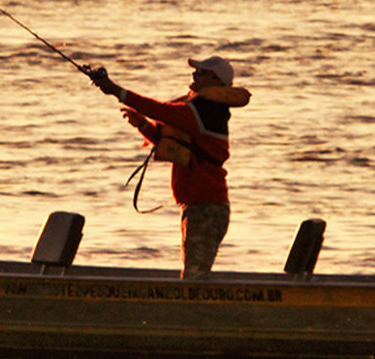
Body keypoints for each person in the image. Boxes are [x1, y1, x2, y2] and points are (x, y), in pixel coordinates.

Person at [86, 56, 251, 279]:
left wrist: (115, 90)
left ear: (216, 81)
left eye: (201, 72)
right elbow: (177, 142)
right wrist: (143, 125)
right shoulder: (201, 111)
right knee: (193, 275)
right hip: (199, 206)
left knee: (194, 278)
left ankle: (194, 313)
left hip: (206, 208)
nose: (194, 75)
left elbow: (159, 109)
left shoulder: (204, 112)